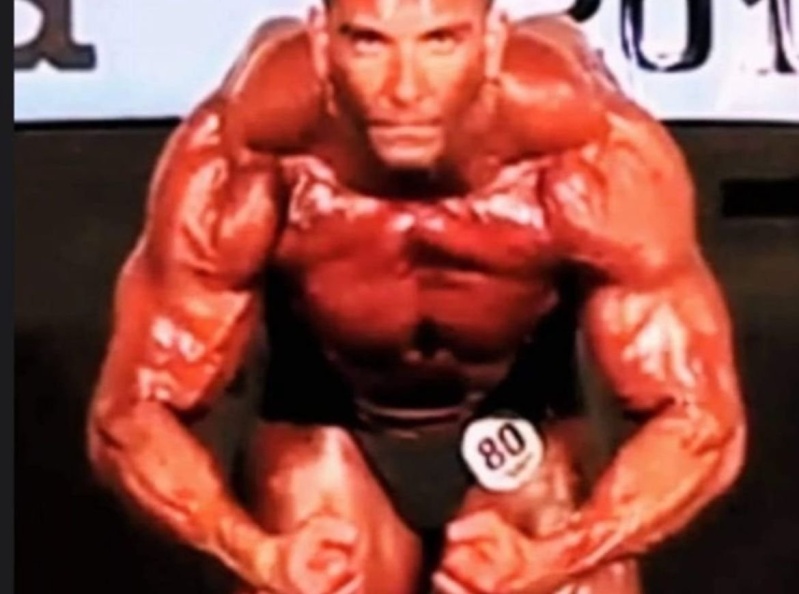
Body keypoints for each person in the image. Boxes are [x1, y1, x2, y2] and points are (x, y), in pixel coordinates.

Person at [85, 1, 747, 593]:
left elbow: (701, 421)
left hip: (523, 415)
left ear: (492, 41)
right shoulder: (249, 148)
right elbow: (130, 416)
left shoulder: (584, 149)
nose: (405, 89)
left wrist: (557, 558)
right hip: (329, 419)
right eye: (369, 42)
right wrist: (257, 555)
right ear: (321, 41)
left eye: (440, 41)